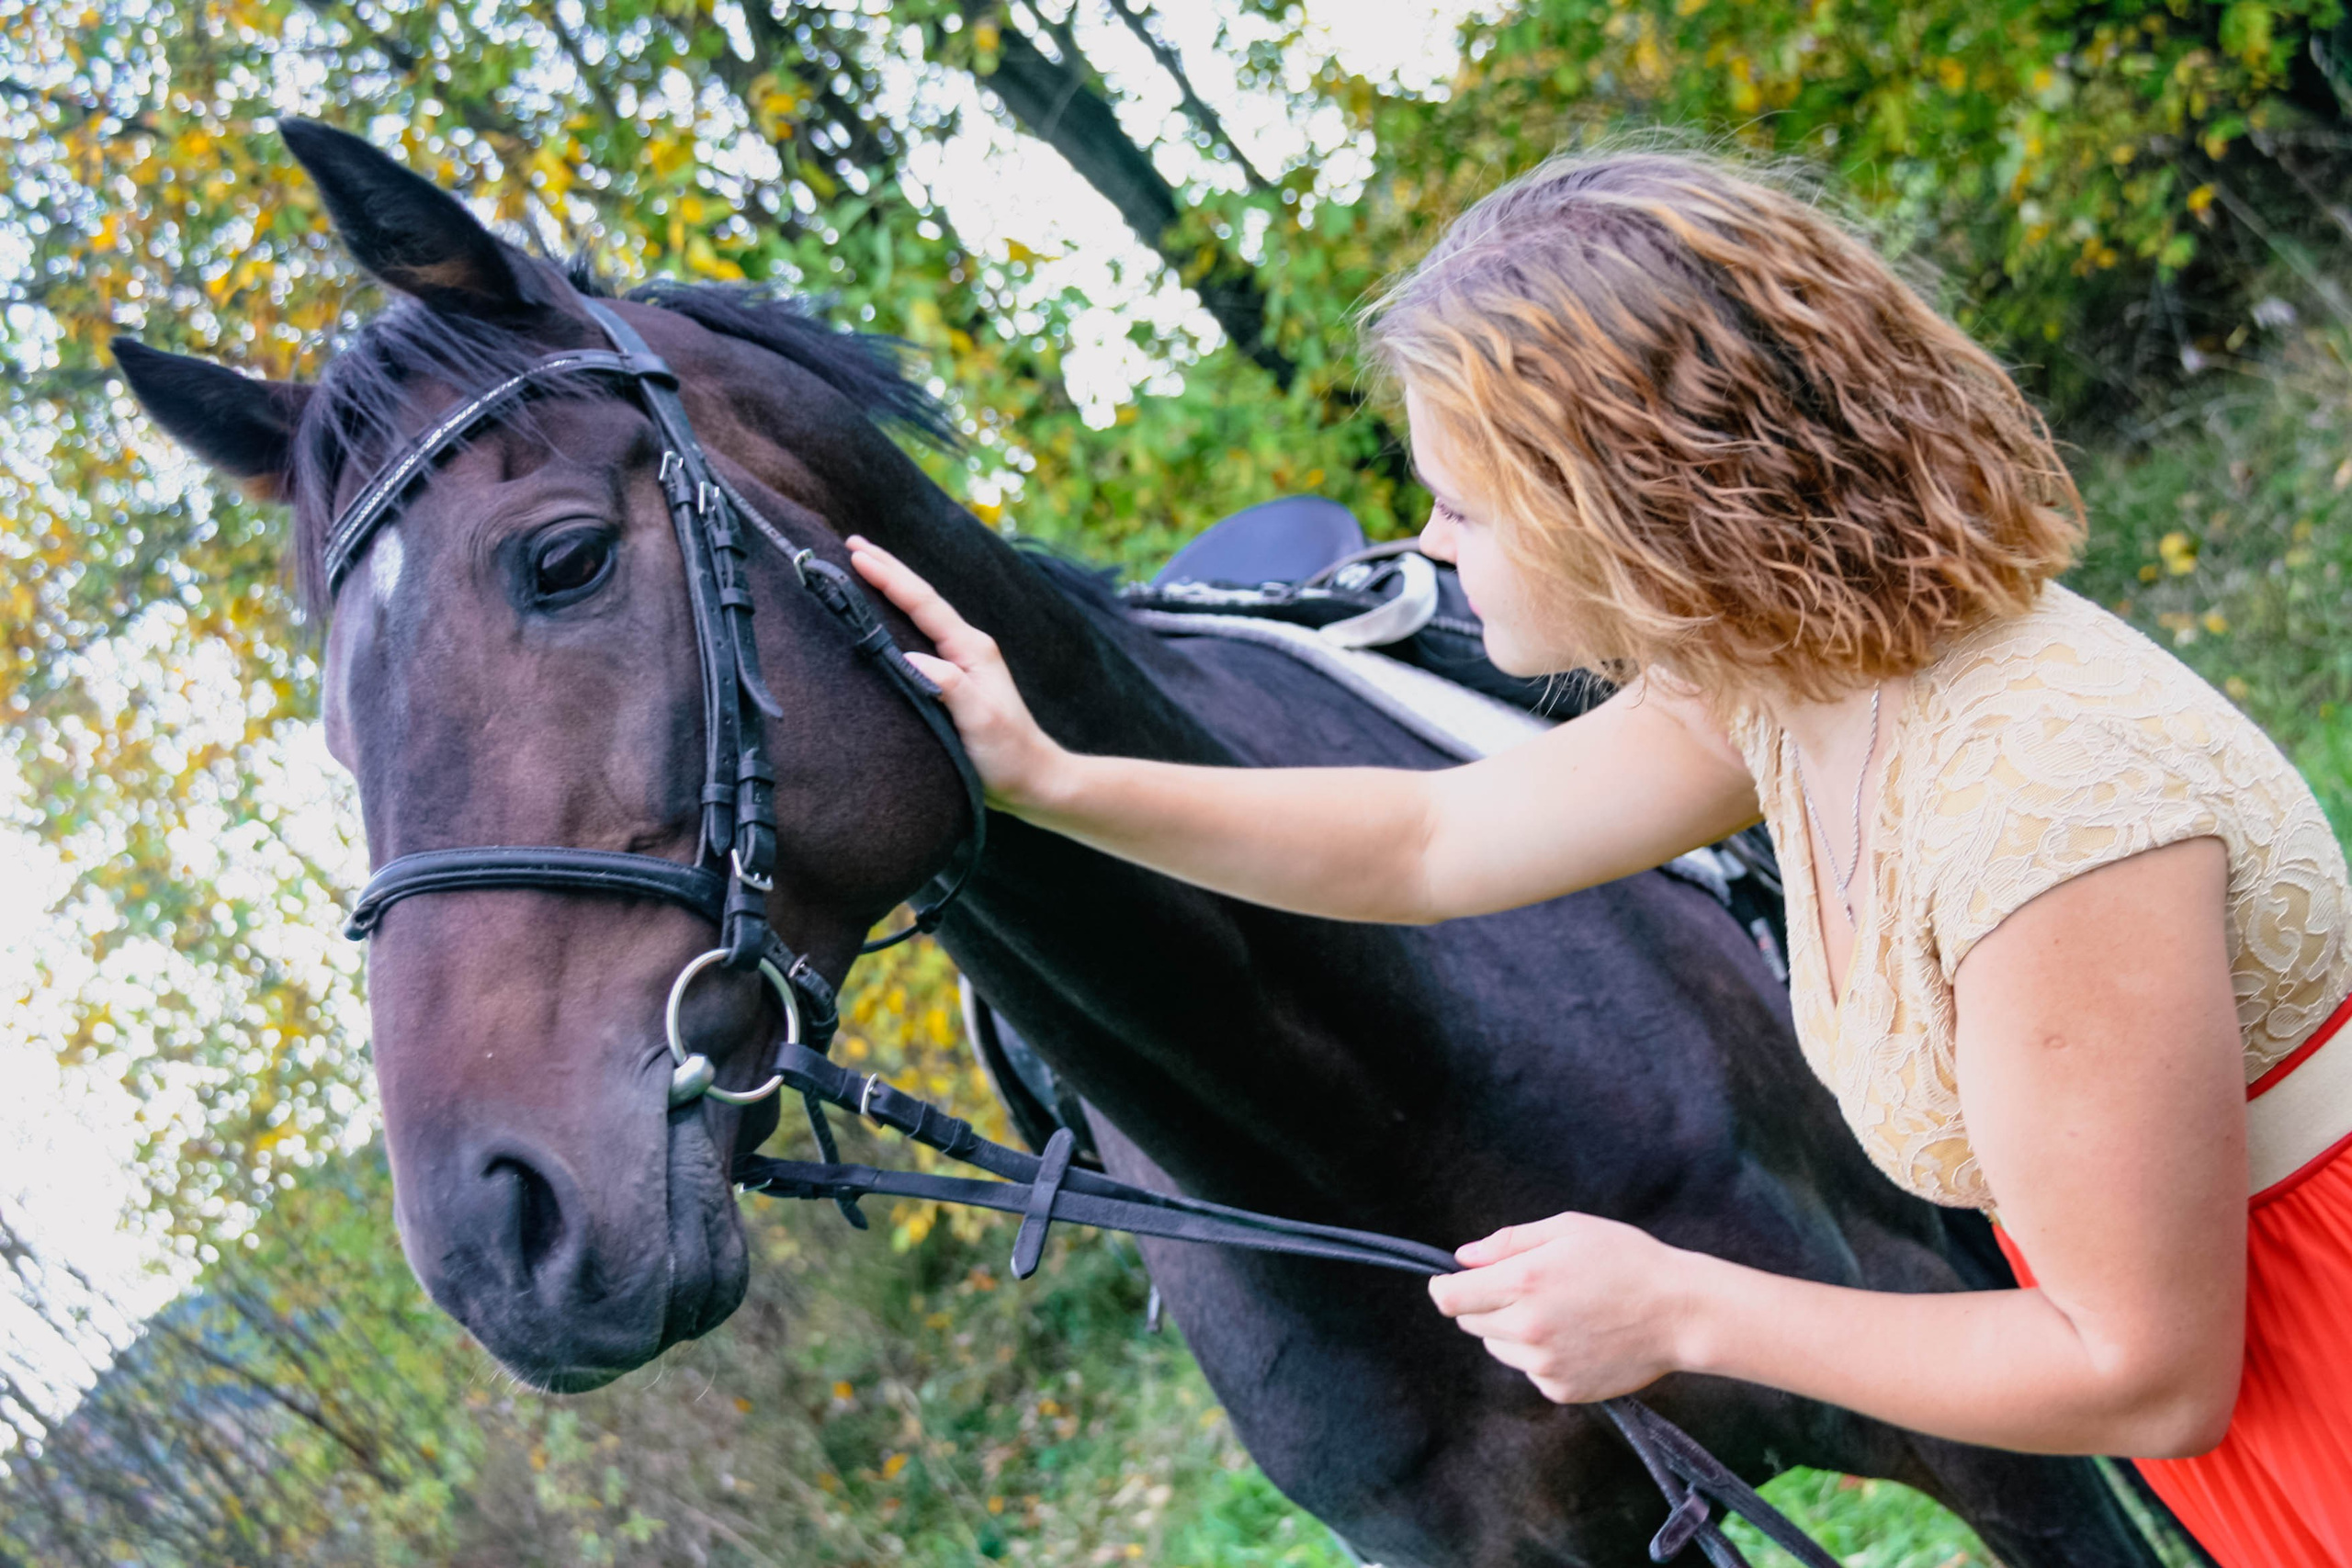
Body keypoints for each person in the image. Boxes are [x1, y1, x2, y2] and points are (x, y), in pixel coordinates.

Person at [845, 151, 2352, 1566]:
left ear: (1627, 499)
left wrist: (1681, 1306)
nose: (1429, 549)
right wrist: (1051, 781)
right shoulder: (1796, 683)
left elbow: (2144, 1375)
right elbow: (1427, 841)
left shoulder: (2042, 812)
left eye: (1463, 504)